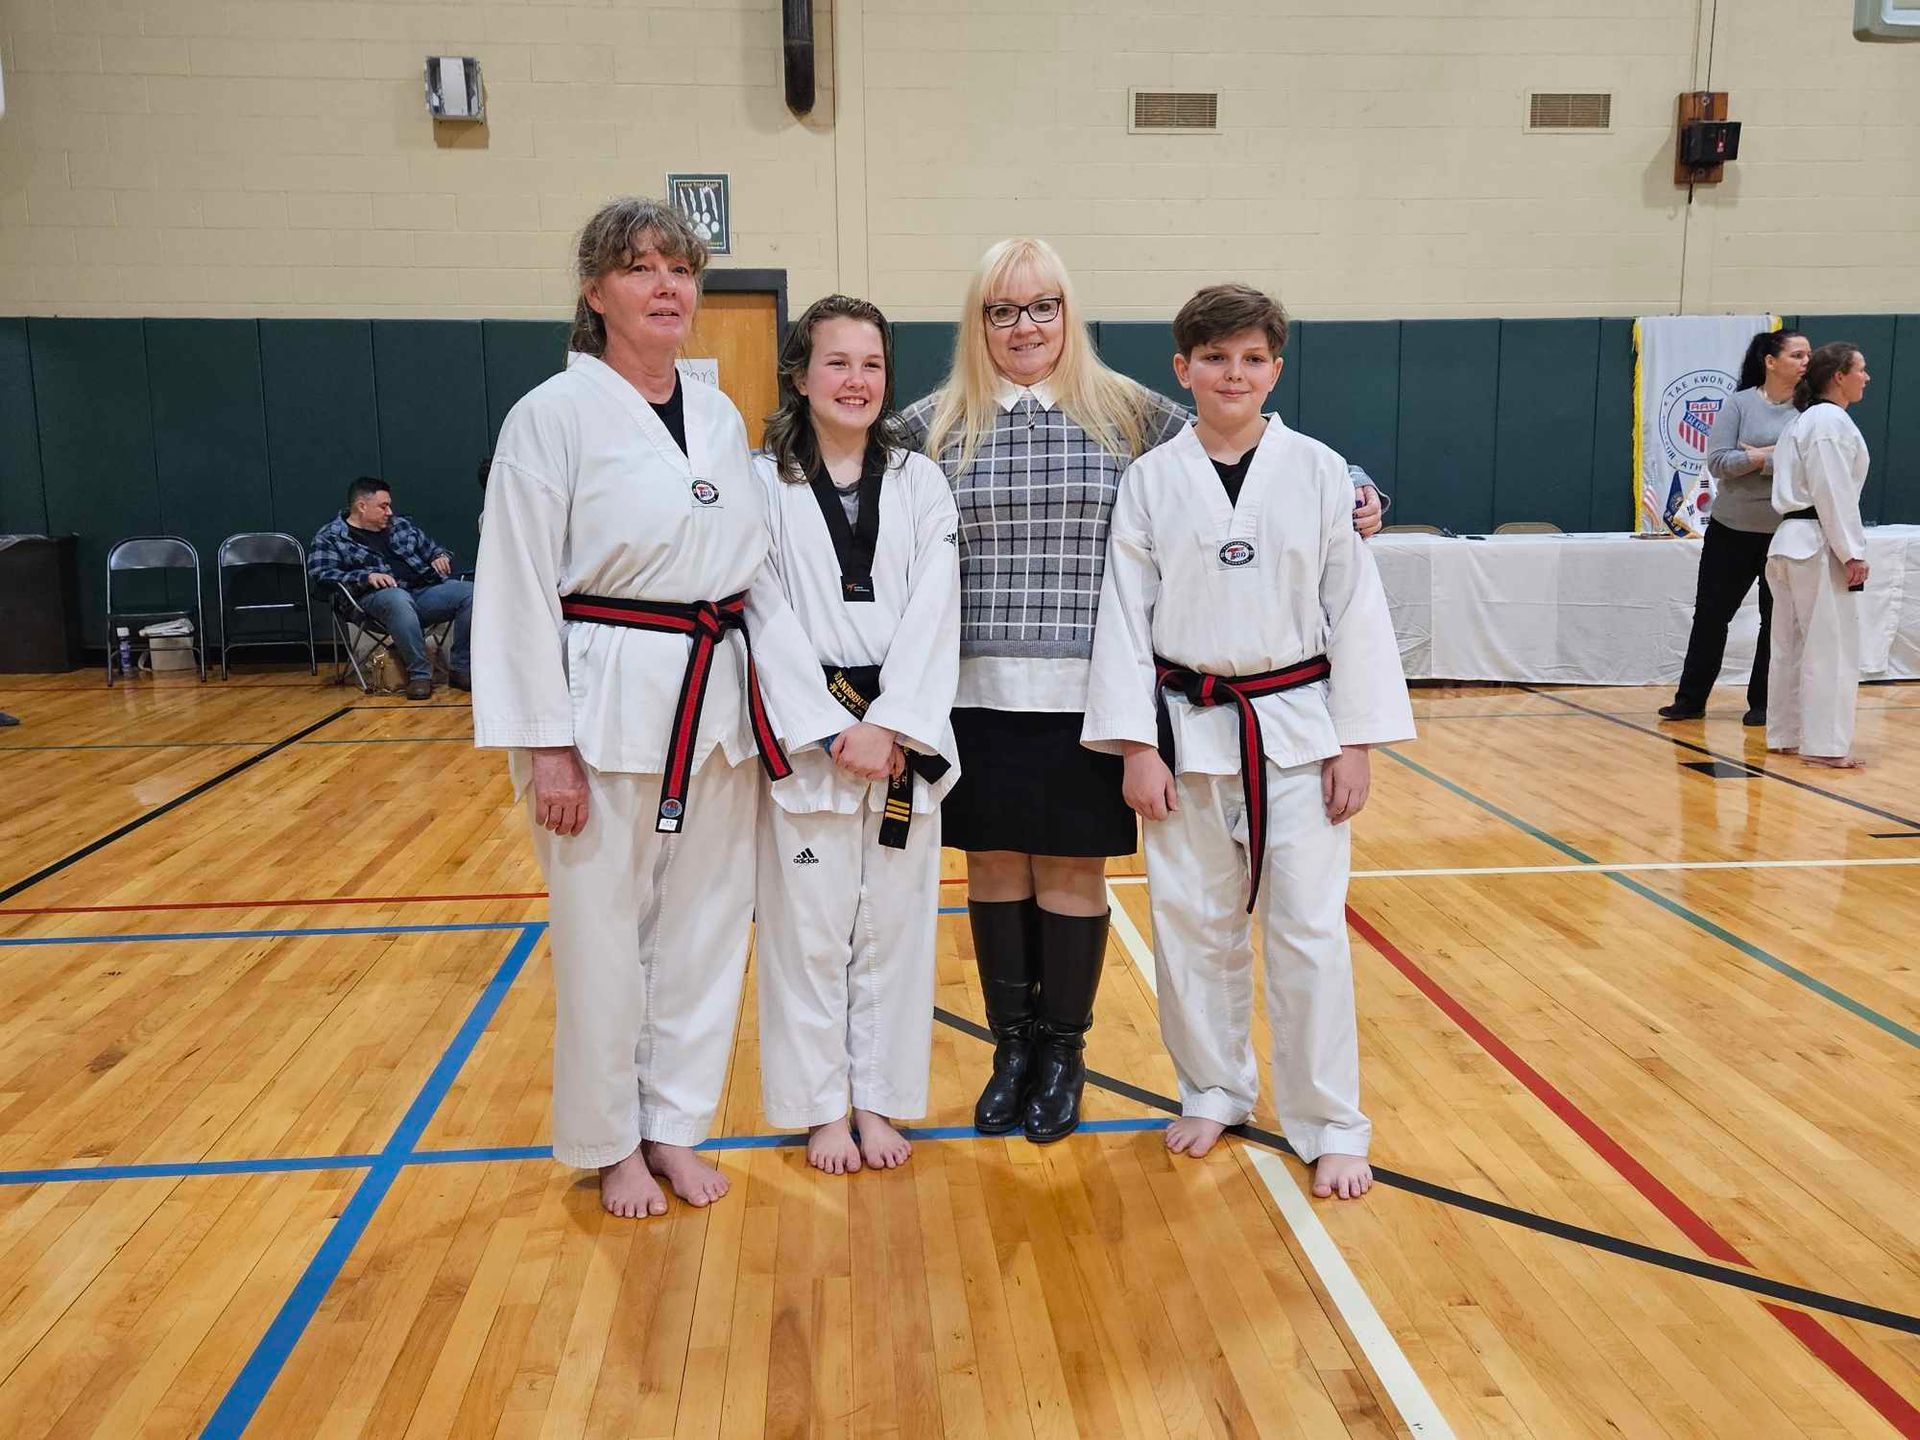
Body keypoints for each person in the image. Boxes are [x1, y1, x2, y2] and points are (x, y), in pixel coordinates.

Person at [901, 237, 1384, 1145]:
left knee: (1077, 875)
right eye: (1002, 310)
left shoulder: (1125, 413)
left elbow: (1243, 445)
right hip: (974, 687)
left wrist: (1359, 488)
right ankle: (1015, 1052)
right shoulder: (931, 424)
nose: (1024, 326)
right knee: (996, 866)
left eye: (1042, 305)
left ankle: (1065, 1055)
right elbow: (838, 460)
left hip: (1090, 690)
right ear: (978, 323)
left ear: (1068, 313)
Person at [471, 197, 845, 1218]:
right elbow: (512, 588)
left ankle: (673, 1125)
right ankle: (608, 1142)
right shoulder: (550, 417)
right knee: (602, 937)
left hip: (714, 705)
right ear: (596, 293)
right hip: (603, 706)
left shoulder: (719, 415)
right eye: (641, 269)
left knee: (706, 932)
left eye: (681, 268)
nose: (668, 287)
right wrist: (546, 748)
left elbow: (759, 572)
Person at [1083, 283, 1413, 1200]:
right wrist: (1135, 747)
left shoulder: (1318, 471)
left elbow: (1354, 612)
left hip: (1299, 735)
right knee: (1192, 930)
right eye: (1216, 359)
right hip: (1186, 733)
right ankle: (1216, 1088)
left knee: (1307, 934)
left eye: (1253, 359)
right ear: (1182, 369)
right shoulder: (1150, 480)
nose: (1235, 375)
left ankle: (1330, 1122)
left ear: (1277, 368)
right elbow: (1123, 619)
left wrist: (1359, 740)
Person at [752, 295, 961, 1175]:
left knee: (897, 928)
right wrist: (833, 725)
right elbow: (760, 608)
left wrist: (895, 723)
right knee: (808, 932)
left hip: (900, 740)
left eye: (871, 365)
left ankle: (877, 1102)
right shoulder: (760, 481)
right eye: (837, 363)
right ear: (801, 375)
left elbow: (936, 607)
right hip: (811, 739)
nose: (857, 381)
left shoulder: (919, 480)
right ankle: (818, 1110)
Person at [1659, 329, 1810, 726]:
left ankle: (1763, 703)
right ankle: (1690, 699)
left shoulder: (1811, 409)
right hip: (1731, 529)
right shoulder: (1739, 404)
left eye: (1808, 355)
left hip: (1785, 531)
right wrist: (1776, 456)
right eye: (1796, 355)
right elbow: (1719, 462)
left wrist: (1761, 456)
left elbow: (1810, 462)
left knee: (1774, 620)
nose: (1805, 362)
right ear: (1770, 361)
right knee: (1711, 615)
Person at [1765, 342, 1873, 770]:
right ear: (1839, 376)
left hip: (1792, 541)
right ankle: (1826, 745)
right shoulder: (1829, 421)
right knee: (1831, 646)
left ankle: (1786, 733)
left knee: (1789, 644)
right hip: (1815, 541)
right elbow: (1833, 491)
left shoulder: (1804, 421)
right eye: (1861, 370)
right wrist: (1852, 552)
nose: (1866, 378)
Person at [309, 477, 473, 700]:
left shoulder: (400, 525)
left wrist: (439, 556)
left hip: (421, 591)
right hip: (372, 600)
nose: (389, 512)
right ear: (361, 506)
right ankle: (420, 675)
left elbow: (434, 549)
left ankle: (461, 668)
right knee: (397, 598)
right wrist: (366, 576)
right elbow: (321, 573)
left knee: (470, 592)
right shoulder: (331, 537)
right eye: (383, 506)